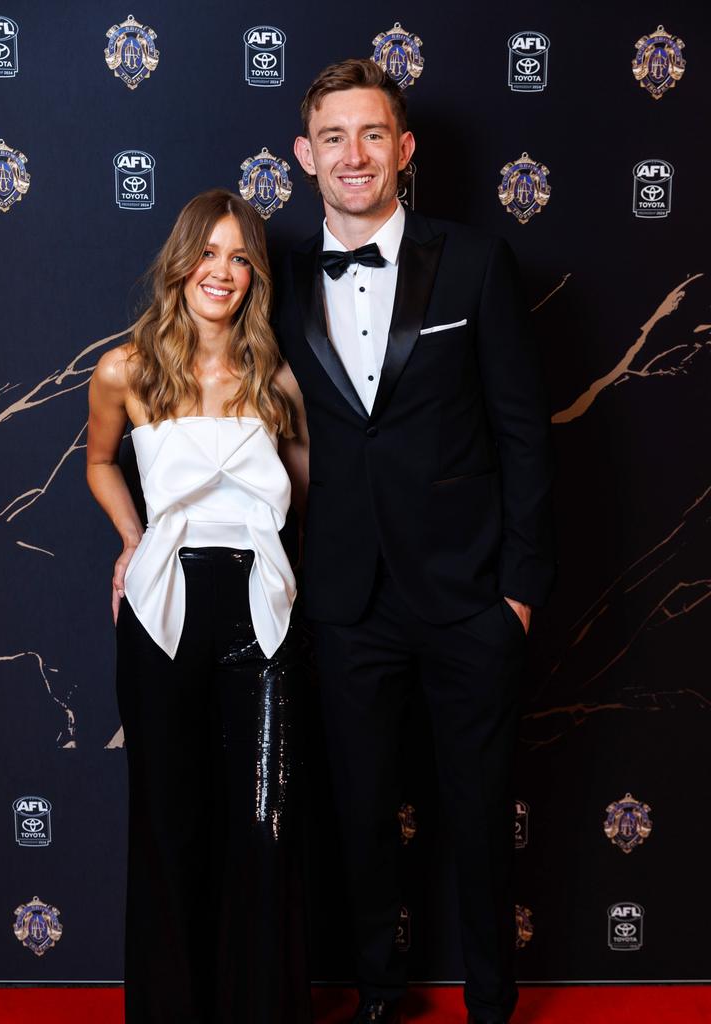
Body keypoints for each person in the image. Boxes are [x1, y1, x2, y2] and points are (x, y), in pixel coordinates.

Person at [276, 60, 555, 1024]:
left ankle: (490, 999)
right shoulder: (269, 275)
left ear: (404, 149)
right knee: (358, 815)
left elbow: (523, 431)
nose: (354, 156)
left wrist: (516, 591)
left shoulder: (474, 262)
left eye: (372, 135)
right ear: (306, 157)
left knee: (479, 817)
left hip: (469, 594)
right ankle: (379, 996)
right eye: (334, 138)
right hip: (344, 598)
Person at [86, 188, 311, 1024]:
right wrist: (132, 538)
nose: (223, 272)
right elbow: (101, 461)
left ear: (255, 275)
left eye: (241, 257)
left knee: (264, 819)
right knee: (167, 816)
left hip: (261, 609)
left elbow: (303, 485)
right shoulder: (127, 368)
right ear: (180, 262)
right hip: (162, 604)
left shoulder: (275, 373)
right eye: (209, 254)